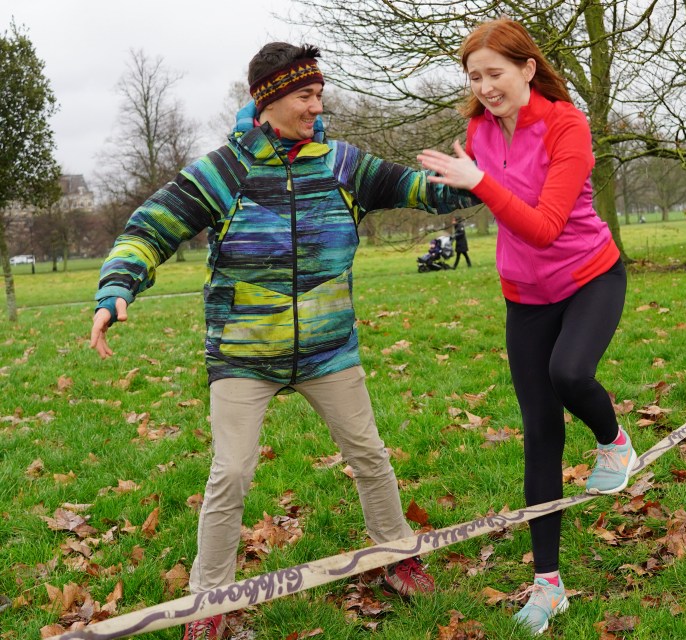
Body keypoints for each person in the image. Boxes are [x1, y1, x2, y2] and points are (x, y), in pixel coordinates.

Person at [90, 42, 477, 640]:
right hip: (244, 357)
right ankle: (208, 600)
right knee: (232, 473)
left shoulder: (342, 163)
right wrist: (118, 287)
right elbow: (150, 228)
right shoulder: (226, 171)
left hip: (329, 351)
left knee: (369, 455)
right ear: (267, 100)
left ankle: (397, 556)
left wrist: (475, 177)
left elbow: (425, 191)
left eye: (319, 94)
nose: (316, 107)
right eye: (304, 95)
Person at [417, 18, 635, 635]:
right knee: (539, 433)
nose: (485, 87)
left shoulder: (567, 124)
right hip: (525, 294)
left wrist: (481, 183)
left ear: (527, 69)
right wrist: (465, 180)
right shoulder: (479, 133)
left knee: (570, 373)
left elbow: (543, 224)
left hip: (590, 274)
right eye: (475, 76)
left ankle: (614, 440)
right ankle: (548, 585)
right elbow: (493, 204)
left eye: (495, 73)